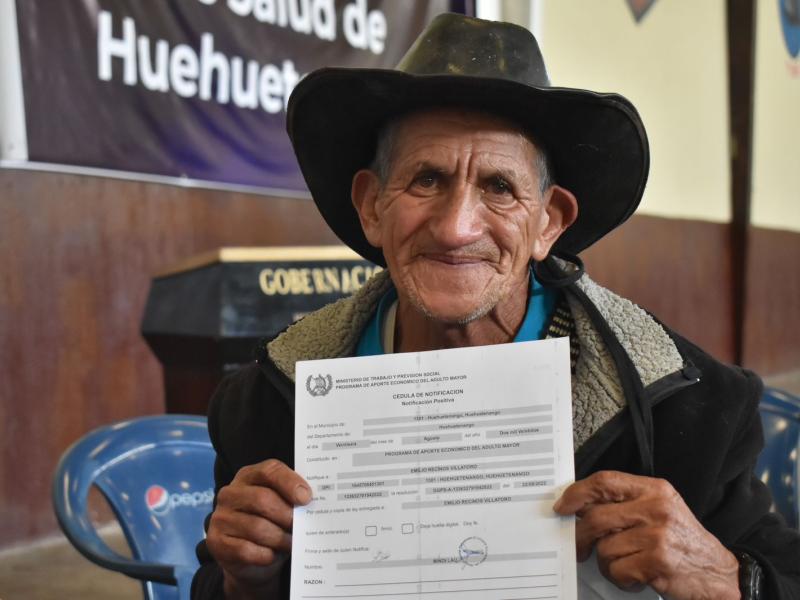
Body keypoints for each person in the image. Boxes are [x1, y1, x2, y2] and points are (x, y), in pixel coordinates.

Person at [191, 13, 800, 600]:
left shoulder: (687, 409)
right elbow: (218, 586)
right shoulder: (267, 404)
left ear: (549, 222)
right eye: (427, 179)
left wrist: (726, 577)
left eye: (499, 187)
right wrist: (244, 584)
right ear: (372, 205)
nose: (455, 228)